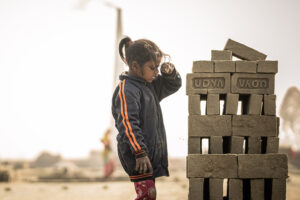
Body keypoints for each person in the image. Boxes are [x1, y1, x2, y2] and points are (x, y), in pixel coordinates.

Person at [111, 36, 182, 200]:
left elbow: (172, 85)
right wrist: (140, 152)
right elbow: (128, 124)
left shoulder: (150, 85)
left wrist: (169, 74)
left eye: (158, 67)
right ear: (135, 66)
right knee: (147, 196)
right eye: (152, 67)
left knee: (148, 196)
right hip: (137, 155)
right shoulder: (126, 90)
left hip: (147, 154)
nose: (156, 72)